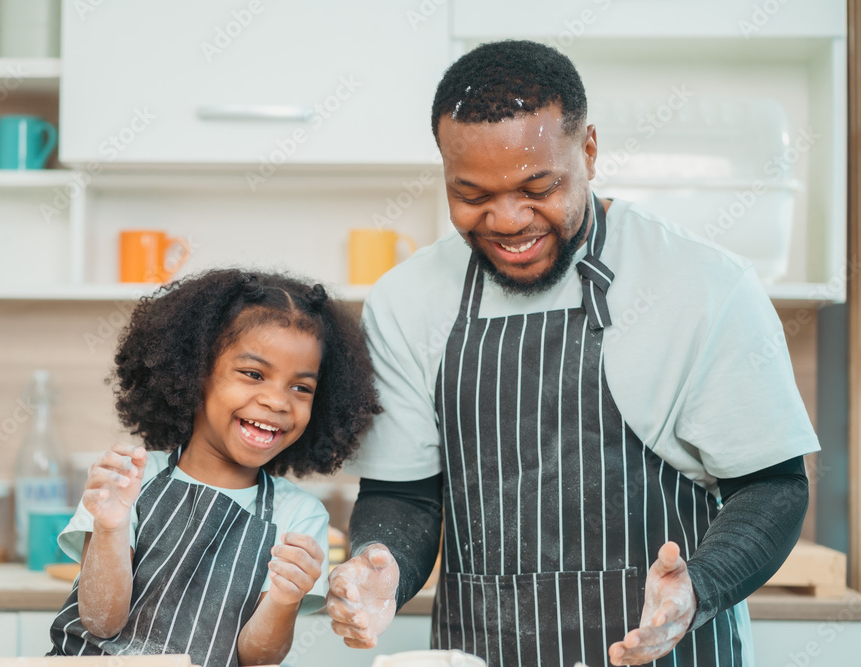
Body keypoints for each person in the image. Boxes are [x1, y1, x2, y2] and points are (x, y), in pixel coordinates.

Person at [326, 40, 817, 666]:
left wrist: (700, 587)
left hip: (671, 653)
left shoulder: (703, 284)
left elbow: (772, 487)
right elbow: (405, 494)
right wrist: (381, 562)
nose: (506, 220)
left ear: (588, 150)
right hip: (485, 648)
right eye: (472, 195)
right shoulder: (407, 299)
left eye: (539, 186)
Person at [47, 269, 381, 666]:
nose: (277, 401)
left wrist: (285, 598)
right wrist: (109, 526)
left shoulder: (300, 517)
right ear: (195, 373)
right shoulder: (127, 482)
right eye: (253, 374)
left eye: (301, 387)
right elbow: (101, 622)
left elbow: (259, 658)